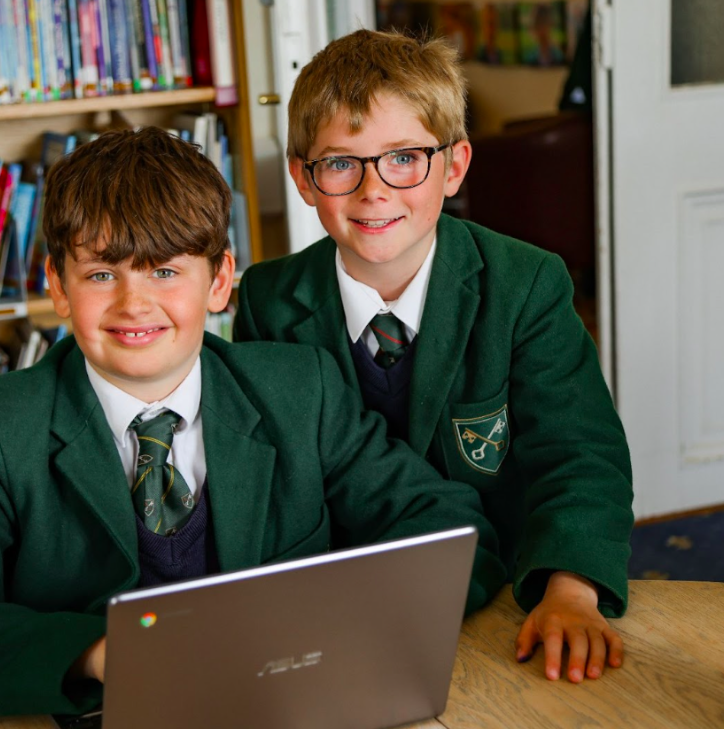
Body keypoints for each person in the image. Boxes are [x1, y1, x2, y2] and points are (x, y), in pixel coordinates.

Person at [0, 127, 506, 718]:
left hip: (295, 705)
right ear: (57, 287)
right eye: (101, 273)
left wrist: (337, 630)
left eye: (164, 269)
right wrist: (96, 652)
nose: (135, 303)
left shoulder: (300, 389)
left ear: (218, 282)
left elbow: (450, 527)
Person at [234, 29, 634, 684]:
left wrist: (569, 588)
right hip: (341, 606)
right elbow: (273, 478)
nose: (373, 190)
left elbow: (578, 455)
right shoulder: (269, 300)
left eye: (404, 158)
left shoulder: (525, 284)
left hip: (504, 592)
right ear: (303, 179)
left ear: (452, 167)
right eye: (340, 163)